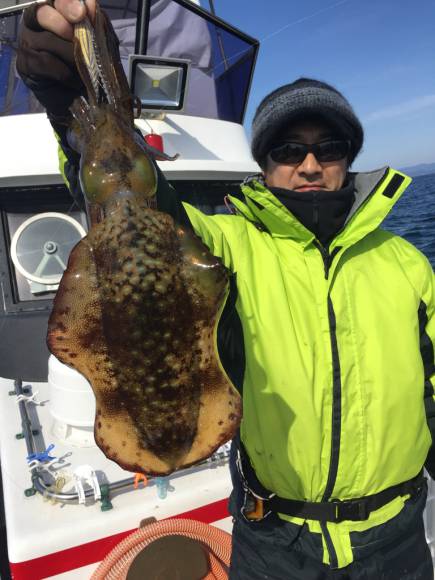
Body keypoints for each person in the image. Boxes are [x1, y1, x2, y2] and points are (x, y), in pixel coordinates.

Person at [16, 1, 435, 578]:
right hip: (276, 541)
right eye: (288, 150)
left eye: (328, 148)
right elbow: (134, 197)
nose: (309, 164)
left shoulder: (407, 263)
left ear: (348, 159)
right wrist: (62, 92)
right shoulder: (227, 245)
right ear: (264, 164)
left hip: (398, 536)